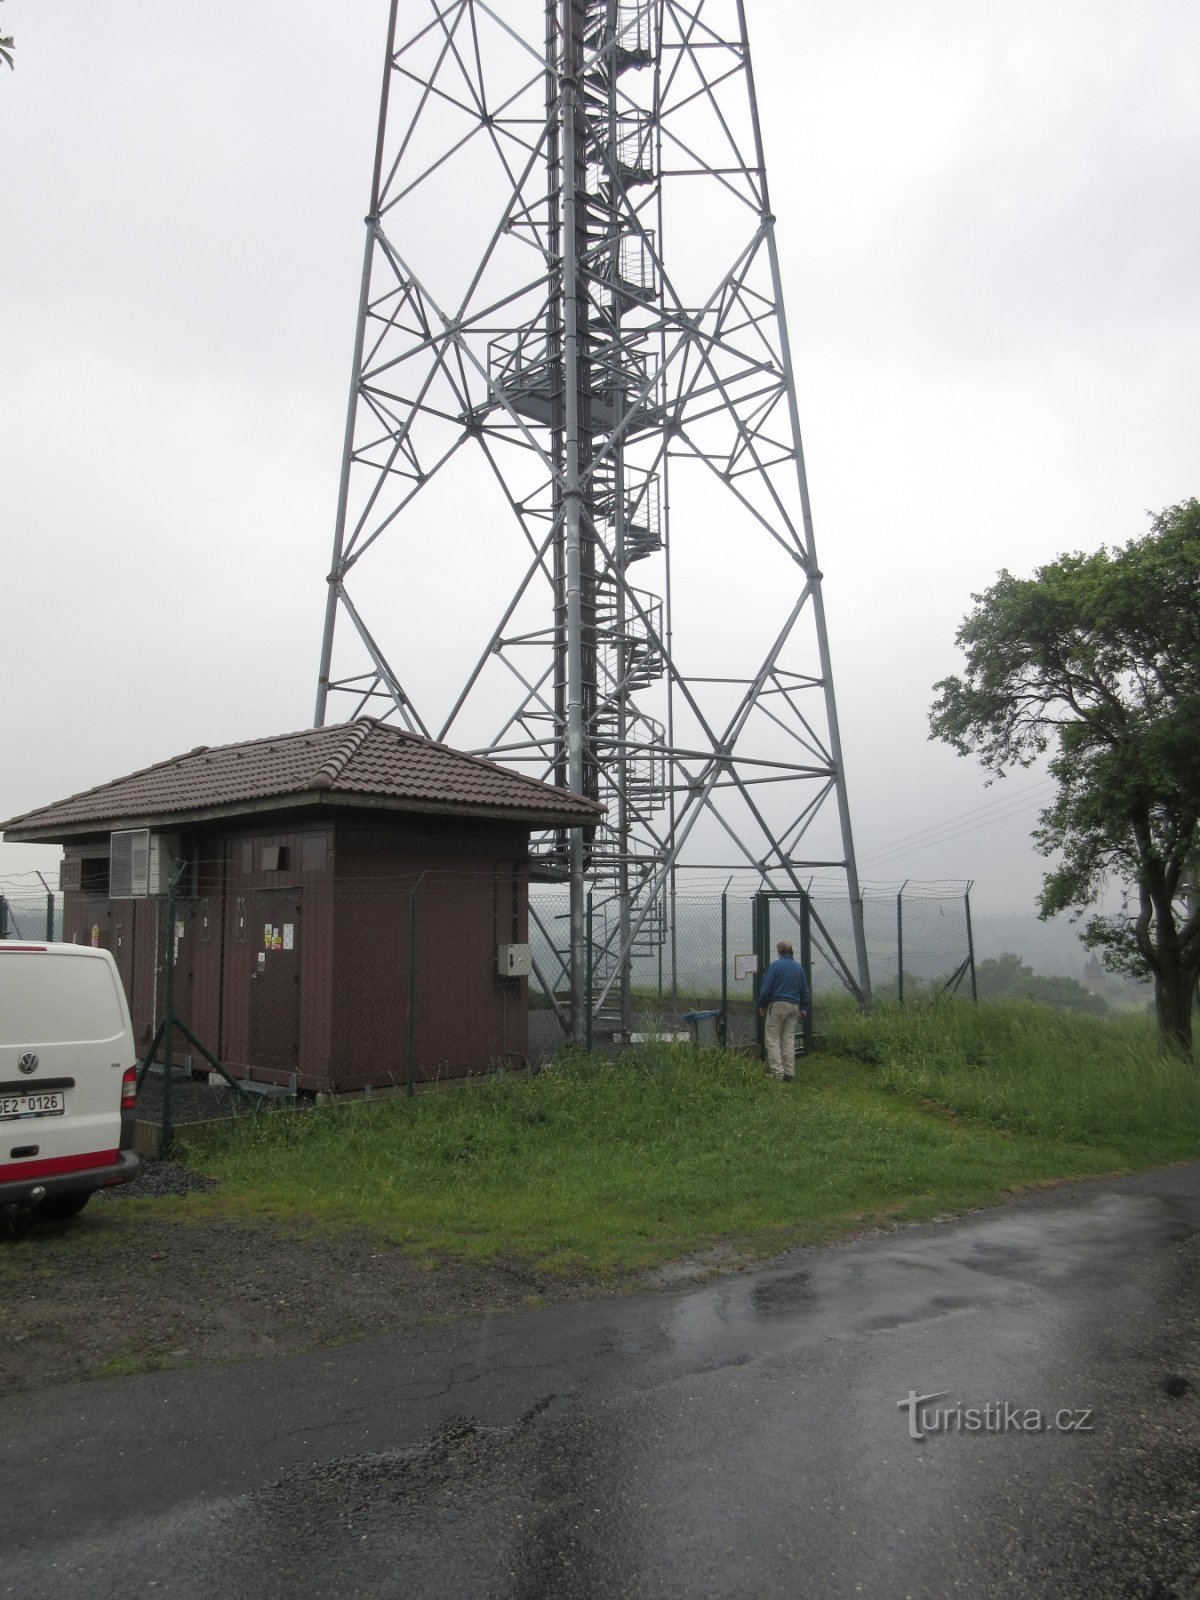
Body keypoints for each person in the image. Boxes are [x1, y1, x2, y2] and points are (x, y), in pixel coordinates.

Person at [757, 940, 810, 1081]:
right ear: (791, 951)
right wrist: (804, 1009)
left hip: (778, 1005)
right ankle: (789, 1072)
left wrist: (762, 1005)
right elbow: (805, 990)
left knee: (772, 1038)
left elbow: (766, 990)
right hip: (794, 1007)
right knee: (788, 1039)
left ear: (779, 952)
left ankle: (778, 1073)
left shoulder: (775, 966)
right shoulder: (799, 968)